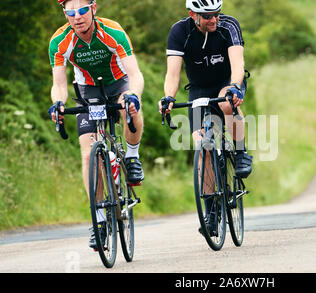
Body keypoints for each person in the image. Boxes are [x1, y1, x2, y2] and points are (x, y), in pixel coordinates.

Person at [48, 0, 145, 250]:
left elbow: (135, 74)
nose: (77, 17)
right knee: (87, 153)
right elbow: (59, 83)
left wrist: (133, 95)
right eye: (70, 12)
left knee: (131, 109)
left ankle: (132, 157)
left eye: (82, 11)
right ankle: (99, 220)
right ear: (65, 14)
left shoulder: (112, 31)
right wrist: (58, 103)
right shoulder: (59, 41)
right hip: (87, 90)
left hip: (118, 83)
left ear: (94, 9)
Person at [158, 0, 252, 235]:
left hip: (227, 83)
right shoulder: (179, 31)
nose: (214, 19)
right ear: (192, 14)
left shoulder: (229, 25)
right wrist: (168, 97)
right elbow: (172, 73)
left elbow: (238, 64)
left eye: (216, 14)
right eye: (207, 16)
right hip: (199, 89)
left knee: (226, 103)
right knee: (203, 147)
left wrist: (234, 87)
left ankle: (240, 152)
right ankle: (211, 212)